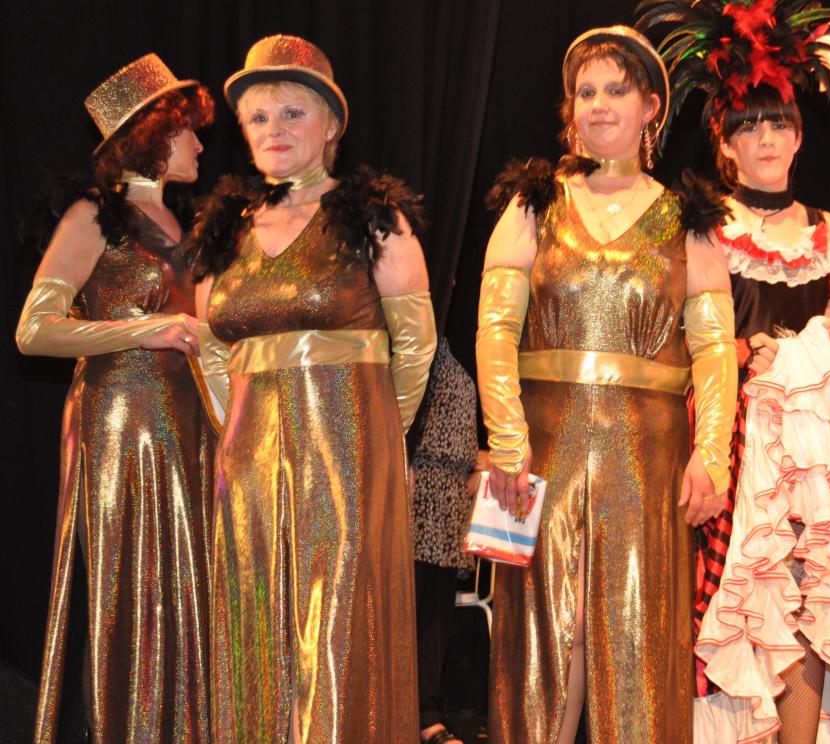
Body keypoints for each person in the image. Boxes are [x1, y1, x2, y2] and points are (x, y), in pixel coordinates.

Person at [476, 26, 736, 744]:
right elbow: (495, 329)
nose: (596, 105)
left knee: (635, 632)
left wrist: (712, 452)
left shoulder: (688, 217)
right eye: (584, 92)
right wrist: (506, 439)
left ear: (650, 107)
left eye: (615, 90)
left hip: (647, 455)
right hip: (539, 448)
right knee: (542, 635)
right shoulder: (533, 203)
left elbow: (715, 348)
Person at [188, 35, 436, 743]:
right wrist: (234, 435)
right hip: (248, 471)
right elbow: (211, 350)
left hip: (346, 462)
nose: (275, 130)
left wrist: (378, 440)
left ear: (331, 125)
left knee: (332, 642)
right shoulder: (225, 231)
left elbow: (416, 345)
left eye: (293, 113)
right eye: (260, 117)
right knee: (255, 636)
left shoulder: (374, 221)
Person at [16, 54, 216, 743]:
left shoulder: (184, 222)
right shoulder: (94, 216)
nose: (200, 144)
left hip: (188, 423)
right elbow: (33, 331)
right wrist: (146, 329)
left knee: (185, 587)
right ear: (156, 133)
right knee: (135, 590)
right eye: (189, 130)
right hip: (123, 419)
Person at [406, 337, 483, 744]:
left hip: (450, 485)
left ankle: (427, 714)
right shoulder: (420, 339)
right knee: (408, 601)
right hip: (415, 474)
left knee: (436, 609)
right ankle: (400, 711)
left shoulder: (461, 342)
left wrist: (479, 458)